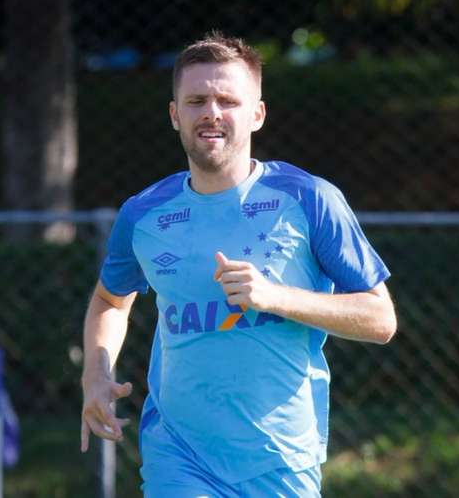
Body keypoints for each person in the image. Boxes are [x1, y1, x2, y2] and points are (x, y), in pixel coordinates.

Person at [80, 31, 397, 497]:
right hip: (178, 455)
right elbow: (110, 300)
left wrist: (275, 297)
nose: (211, 112)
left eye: (227, 100)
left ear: (257, 114)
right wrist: (96, 374)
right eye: (196, 100)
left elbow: (381, 318)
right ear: (175, 115)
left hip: (280, 459)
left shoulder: (310, 199)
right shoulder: (143, 214)